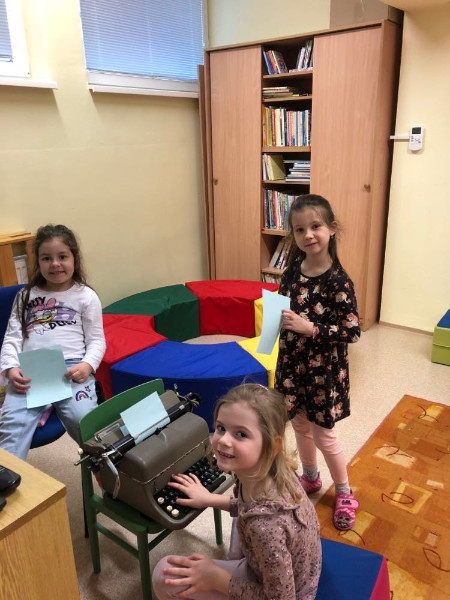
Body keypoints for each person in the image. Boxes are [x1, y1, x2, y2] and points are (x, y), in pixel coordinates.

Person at [152, 383, 322, 600]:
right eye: (221, 428)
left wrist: (217, 578)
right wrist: (209, 499)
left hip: (293, 591)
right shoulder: (269, 471)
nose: (223, 440)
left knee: (163, 574)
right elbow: (250, 507)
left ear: (273, 445)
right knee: (242, 523)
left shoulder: (265, 528)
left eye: (241, 434)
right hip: (298, 567)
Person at [274, 194, 361, 531]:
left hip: (323, 371)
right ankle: (310, 476)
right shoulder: (291, 273)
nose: (308, 235)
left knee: (325, 434)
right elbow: (281, 309)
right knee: (298, 424)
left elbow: (352, 331)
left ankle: (344, 492)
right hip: (293, 365)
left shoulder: (339, 281)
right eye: (299, 229)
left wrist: (311, 328)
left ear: (332, 229)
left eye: (315, 226)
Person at [0, 224, 106, 460]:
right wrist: (10, 368)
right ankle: (8, 478)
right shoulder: (25, 296)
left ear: (74, 259)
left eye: (62, 257)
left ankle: (109, 472)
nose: (55, 264)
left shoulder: (86, 296)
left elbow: (97, 340)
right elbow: (11, 338)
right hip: (30, 371)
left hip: (73, 369)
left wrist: (87, 365)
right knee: (12, 428)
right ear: (38, 262)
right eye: (46, 258)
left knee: (86, 423)